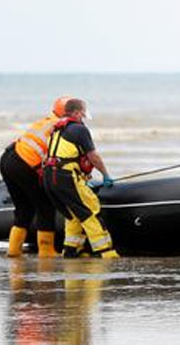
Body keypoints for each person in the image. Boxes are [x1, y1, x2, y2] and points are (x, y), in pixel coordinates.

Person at [41, 98, 119, 259]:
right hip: (65, 176)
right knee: (90, 210)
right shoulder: (79, 129)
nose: (83, 117)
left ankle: (70, 250)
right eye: (83, 113)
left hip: (49, 177)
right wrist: (105, 175)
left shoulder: (56, 129)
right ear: (76, 113)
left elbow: (59, 155)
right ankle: (105, 252)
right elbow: (93, 156)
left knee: (73, 213)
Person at [0, 96, 72, 257]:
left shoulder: (46, 121)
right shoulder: (61, 128)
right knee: (45, 206)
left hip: (8, 159)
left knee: (23, 208)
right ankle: (47, 251)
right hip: (23, 164)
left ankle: (13, 251)